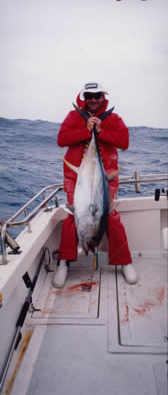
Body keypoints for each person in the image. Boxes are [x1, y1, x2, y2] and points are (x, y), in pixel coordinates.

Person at [53, 83, 138, 288]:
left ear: (103, 96)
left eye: (96, 95)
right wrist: (86, 130)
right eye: (88, 96)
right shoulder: (74, 117)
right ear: (84, 97)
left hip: (105, 176)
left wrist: (100, 131)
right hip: (78, 178)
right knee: (74, 217)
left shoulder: (113, 119)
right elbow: (61, 139)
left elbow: (124, 142)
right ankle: (64, 262)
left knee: (111, 217)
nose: (92, 99)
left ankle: (124, 261)